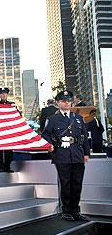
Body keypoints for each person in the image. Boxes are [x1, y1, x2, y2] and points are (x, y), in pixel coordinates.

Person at [42, 90, 90, 221]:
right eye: (63, 101)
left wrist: (86, 153)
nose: (66, 103)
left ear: (72, 102)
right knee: (65, 183)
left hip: (77, 155)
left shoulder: (78, 118)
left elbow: (84, 137)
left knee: (77, 184)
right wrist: (50, 146)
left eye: (68, 101)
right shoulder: (52, 119)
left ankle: (76, 211)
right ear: (58, 103)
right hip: (61, 155)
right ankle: (66, 211)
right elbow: (45, 135)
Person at [0, 87, 16, 172]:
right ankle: (1, 166)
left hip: (9, 130)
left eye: (5, 93)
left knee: (9, 149)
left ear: (7, 95)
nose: (3, 95)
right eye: (2, 94)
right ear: (0, 95)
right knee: (0, 149)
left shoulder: (12, 104)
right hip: (0, 130)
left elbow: (17, 115)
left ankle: (7, 166)